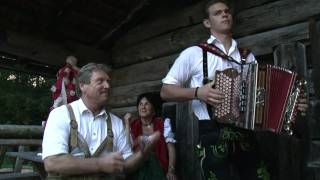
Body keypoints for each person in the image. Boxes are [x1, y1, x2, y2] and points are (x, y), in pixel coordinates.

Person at [160, 0, 308, 180]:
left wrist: (291, 105)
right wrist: (198, 92)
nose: (224, 14)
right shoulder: (194, 53)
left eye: (227, 11)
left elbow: (263, 97)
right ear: (207, 23)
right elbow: (165, 91)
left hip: (245, 131)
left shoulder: (248, 57)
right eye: (217, 13)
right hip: (211, 131)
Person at [42, 63, 160, 179]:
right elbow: (52, 162)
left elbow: (126, 165)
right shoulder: (61, 114)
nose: (107, 86)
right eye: (100, 81)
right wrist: (100, 164)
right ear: (83, 86)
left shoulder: (116, 123)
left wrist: (142, 153)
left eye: (108, 81)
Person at [124, 92, 177, 180]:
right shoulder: (133, 126)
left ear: (153, 108)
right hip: (138, 170)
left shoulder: (163, 124)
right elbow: (127, 149)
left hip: (159, 169)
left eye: (146, 104)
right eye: (140, 104)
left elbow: (171, 148)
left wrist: (171, 170)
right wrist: (127, 124)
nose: (143, 107)